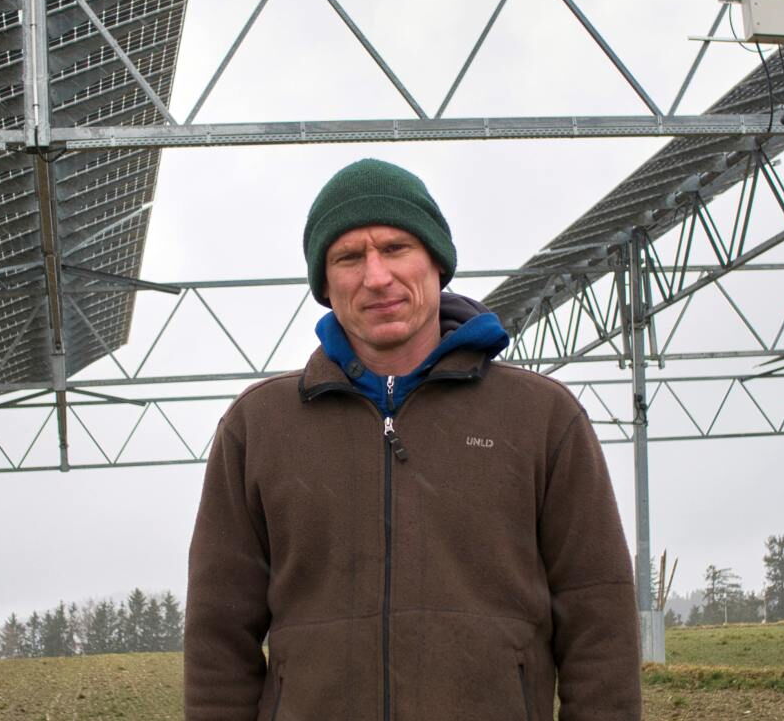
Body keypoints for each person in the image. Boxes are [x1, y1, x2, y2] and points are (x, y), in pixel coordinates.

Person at [184, 158, 641, 721]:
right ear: (325, 284)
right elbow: (218, 636)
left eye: (396, 248)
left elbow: (599, 616)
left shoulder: (541, 418)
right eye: (349, 257)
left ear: (437, 262)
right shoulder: (259, 427)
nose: (376, 277)